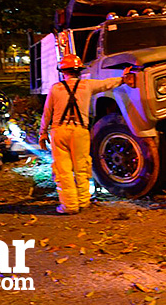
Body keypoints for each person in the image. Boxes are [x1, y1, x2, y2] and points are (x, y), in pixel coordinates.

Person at [38, 54, 131, 214]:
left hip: (59, 131)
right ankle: (83, 202)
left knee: (63, 170)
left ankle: (69, 206)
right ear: (79, 70)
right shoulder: (87, 85)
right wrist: (123, 78)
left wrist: (42, 134)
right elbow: (106, 84)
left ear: (63, 70)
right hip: (80, 131)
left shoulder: (55, 88)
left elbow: (47, 113)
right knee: (82, 167)